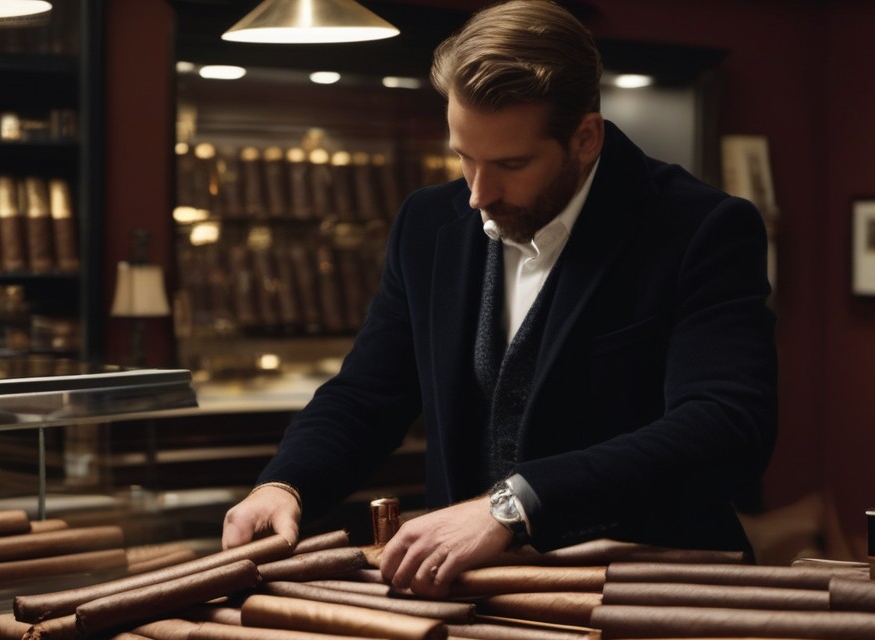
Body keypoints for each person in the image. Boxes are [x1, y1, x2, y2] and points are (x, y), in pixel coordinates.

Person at [221, 0, 778, 597]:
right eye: (464, 157)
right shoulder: (426, 224)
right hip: (475, 602)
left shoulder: (702, 227)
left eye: (511, 163)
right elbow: (367, 393)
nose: (478, 194)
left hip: (649, 600)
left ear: (585, 137)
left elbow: (725, 427)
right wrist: (285, 485)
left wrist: (516, 505)